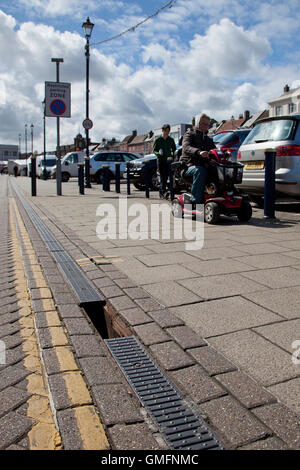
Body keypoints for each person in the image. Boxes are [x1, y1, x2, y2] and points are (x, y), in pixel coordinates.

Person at [180, 113, 215, 205]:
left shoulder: (208, 139)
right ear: (198, 124)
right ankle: (195, 201)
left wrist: (224, 153)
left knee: (220, 170)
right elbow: (186, 148)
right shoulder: (189, 134)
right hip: (187, 166)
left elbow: (214, 150)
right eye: (204, 123)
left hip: (203, 166)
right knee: (200, 171)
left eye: (208, 124)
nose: (206, 126)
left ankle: (219, 195)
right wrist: (198, 152)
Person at [153, 124, 176, 199]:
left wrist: (172, 156)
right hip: (161, 161)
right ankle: (162, 192)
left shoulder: (171, 140)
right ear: (162, 130)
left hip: (169, 161)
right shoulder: (158, 140)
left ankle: (168, 192)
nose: (167, 132)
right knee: (163, 177)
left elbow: (174, 149)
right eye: (166, 130)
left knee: (170, 176)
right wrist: (158, 154)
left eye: (168, 131)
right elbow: (154, 150)